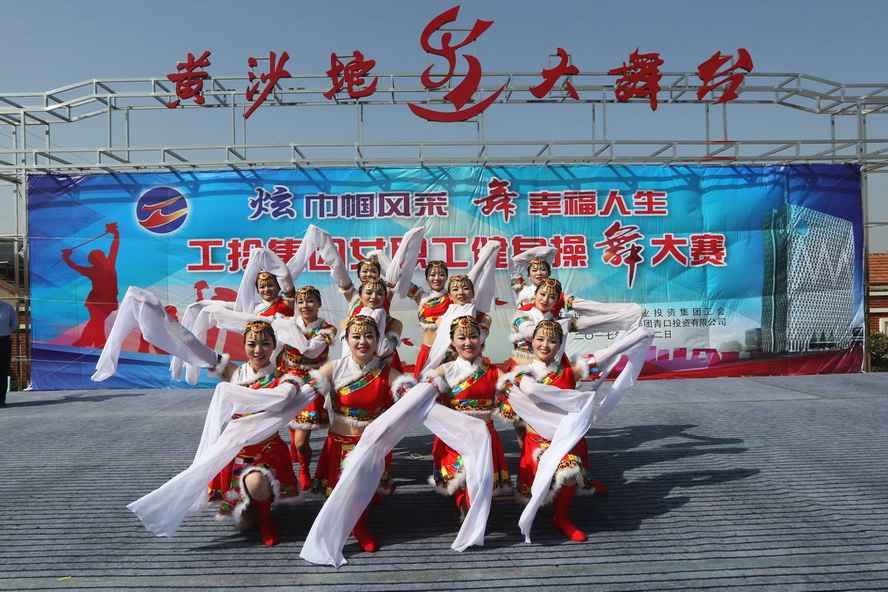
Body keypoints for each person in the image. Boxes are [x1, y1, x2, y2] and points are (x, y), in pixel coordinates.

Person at [498, 319, 604, 542]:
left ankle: (562, 517)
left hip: (564, 439)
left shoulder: (570, 371)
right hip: (536, 441)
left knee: (569, 470)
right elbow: (520, 405)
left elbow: (605, 356)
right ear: (531, 341)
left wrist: (637, 336)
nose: (545, 345)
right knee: (544, 497)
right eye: (540, 339)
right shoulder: (521, 373)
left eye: (552, 341)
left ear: (560, 345)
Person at [304, 314, 401, 552]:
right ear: (347, 340)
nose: (362, 341)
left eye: (369, 336)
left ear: (377, 340)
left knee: (359, 489)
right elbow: (305, 392)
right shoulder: (333, 368)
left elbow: (412, 394)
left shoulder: (387, 372)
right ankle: (348, 523)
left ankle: (359, 526)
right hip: (339, 443)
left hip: (368, 445)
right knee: (340, 490)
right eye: (356, 336)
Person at [207, 321, 302, 546]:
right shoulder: (235, 373)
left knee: (256, 482)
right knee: (244, 525)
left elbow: (285, 395)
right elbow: (194, 348)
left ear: (274, 346)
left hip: (268, 451)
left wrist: (247, 396)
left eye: (265, 344)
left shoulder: (284, 378)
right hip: (237, 453)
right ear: (244, 346)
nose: (258, 350)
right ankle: (254, 504)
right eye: (252, 344)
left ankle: (267, 518)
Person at [423, 315, 512, 515]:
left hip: (483, 437)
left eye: (473, 336)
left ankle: (468, 508)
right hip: (454, 437)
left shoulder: (493, 372)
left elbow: (519, 395)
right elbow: (421, 397)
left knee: (479, 485)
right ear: (452, 342)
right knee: (462, 483)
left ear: (481, 340)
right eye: (461, 338)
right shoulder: (443, 371)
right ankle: (461, 501)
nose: (468, 342)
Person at [271, 286, 337, 491]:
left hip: (311, 384)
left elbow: (309, 351)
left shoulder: (327, 330)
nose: (305, 306)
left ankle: (304, 470)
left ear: (319, 304)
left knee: (300, 441)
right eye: (300, 302)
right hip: (289, 379)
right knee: (291, 425)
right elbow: (275, 349)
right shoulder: (289, 323)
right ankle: (296, 459)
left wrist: (285, 327)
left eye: (310, 301)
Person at [61, 222, 120, 348]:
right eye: (101, 255)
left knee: (97, 322)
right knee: (98, 322)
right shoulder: (105, 266)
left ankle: (85, 342)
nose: (104, 255)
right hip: (98, 300)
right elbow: (114, 248)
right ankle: (99, 345)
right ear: (97, 259)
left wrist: (66, 257)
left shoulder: (105, 266)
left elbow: (114, 248)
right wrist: (115, 234)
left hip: (105, 300)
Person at [412, 260, 451, 377]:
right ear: (426, 278)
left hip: (449, 354)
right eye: (432, 275)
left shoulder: (454, 297)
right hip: (427, 354)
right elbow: (398, 279)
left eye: (441, 274)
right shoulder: (421, 297)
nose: (437, 278)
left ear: (446, 277)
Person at [0, 298, 16, 407]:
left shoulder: (8, 307)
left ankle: (1, 399)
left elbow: (13, 324)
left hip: (3, 341)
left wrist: (5, 333)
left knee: (2, 370)